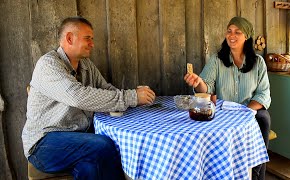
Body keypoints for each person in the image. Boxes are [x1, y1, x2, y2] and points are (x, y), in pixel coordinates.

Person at [22, 16, 156, 180]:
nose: (92, 44)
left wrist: (134, 96)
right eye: (88, 39)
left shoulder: (86, 65)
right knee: (103, 145)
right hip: (44, 144)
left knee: (90, 167)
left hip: (79, 138)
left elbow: (106, 89)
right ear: (70, 38)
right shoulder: (48, 64)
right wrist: (132, 97)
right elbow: (77, 96)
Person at [184, 16, 271, 180]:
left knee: (264, 118)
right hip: (224, 112)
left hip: (249, 111)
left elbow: (263, 94)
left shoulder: (258, 62)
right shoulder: (217, 60)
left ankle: (258, 173)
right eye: (229, 31)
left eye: (238, 32)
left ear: (247, 36)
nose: (232, 35)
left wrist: (246, 111)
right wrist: (198, 82)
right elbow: (206, 88)